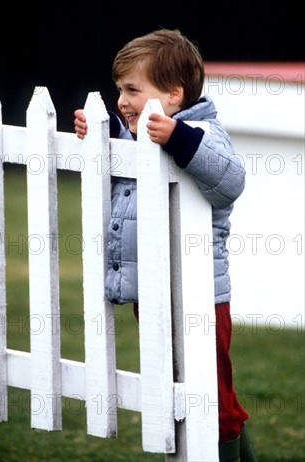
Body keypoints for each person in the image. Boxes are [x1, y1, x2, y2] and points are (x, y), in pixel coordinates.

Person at [74, 28, 257, 461]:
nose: (121, 99)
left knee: (212, 398)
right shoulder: (139, 136)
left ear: (174, 95)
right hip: (153, 295)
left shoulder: (204, 132)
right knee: (180, 395)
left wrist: (178, 137)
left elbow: (231, 180)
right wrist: (98, 134)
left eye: (132, 90)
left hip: (200, 300)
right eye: (119, 89)